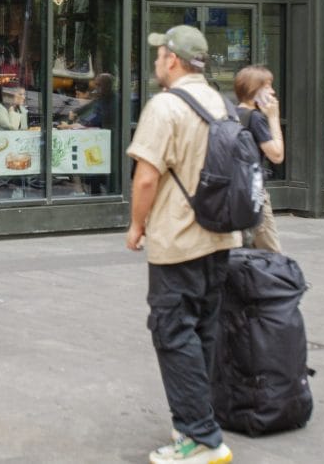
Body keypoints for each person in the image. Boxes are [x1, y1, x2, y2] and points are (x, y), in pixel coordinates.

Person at [125, 24, 237, 464]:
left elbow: (146, 177)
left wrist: (136, 225)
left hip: (178, 239)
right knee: (203, 331)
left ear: (172, 59)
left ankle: (199, 437)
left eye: (159, 55)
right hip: (220, 236)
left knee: (172, 333)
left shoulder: (166, 106)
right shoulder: (220, 102)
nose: (156, 62)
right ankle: (199, 419)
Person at [233, 65, 284, 253]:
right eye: (267, 86)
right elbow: (277, 155)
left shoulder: (231, 113)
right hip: (254, 194)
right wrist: (274, 118)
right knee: (272, 255)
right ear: (254, 89)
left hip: (235, 193)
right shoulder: (255, 118)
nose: (272, 92)